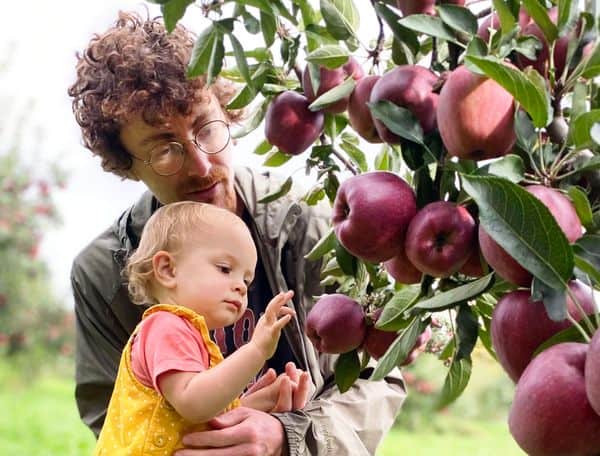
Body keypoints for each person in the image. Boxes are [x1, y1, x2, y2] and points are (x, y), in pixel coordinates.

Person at [69, 10, 407, 456]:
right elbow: (113, 418)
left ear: (227, 111)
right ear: (125, 164)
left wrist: (287, 437)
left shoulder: (309, 226)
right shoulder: (103, 273)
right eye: (164, 150)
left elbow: (378, 378)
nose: (202, 165)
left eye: (206, 128)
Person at [95, 201, 304, 454]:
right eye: (225, 269)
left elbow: (198, 420)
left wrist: (255, 405)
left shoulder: (190, 335)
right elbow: (192, 402)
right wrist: (257, 350)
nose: (239, 286)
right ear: (168, 269)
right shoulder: (165, 327)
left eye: (246, 281)